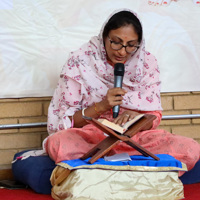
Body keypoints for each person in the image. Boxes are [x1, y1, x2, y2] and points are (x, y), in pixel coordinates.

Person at [45, 9, 200, 176]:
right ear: (104, 37)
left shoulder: (147, 63)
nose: (122, 51)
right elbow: (66, 122)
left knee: (191, 148)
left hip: (134, 141)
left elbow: (154, 116)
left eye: (131, 45)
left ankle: (100, 171)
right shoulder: (80, 61)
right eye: (116, 42)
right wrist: (102, 106)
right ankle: (137, 172)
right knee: (58, 143)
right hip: (92, 139)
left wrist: (137, 118)